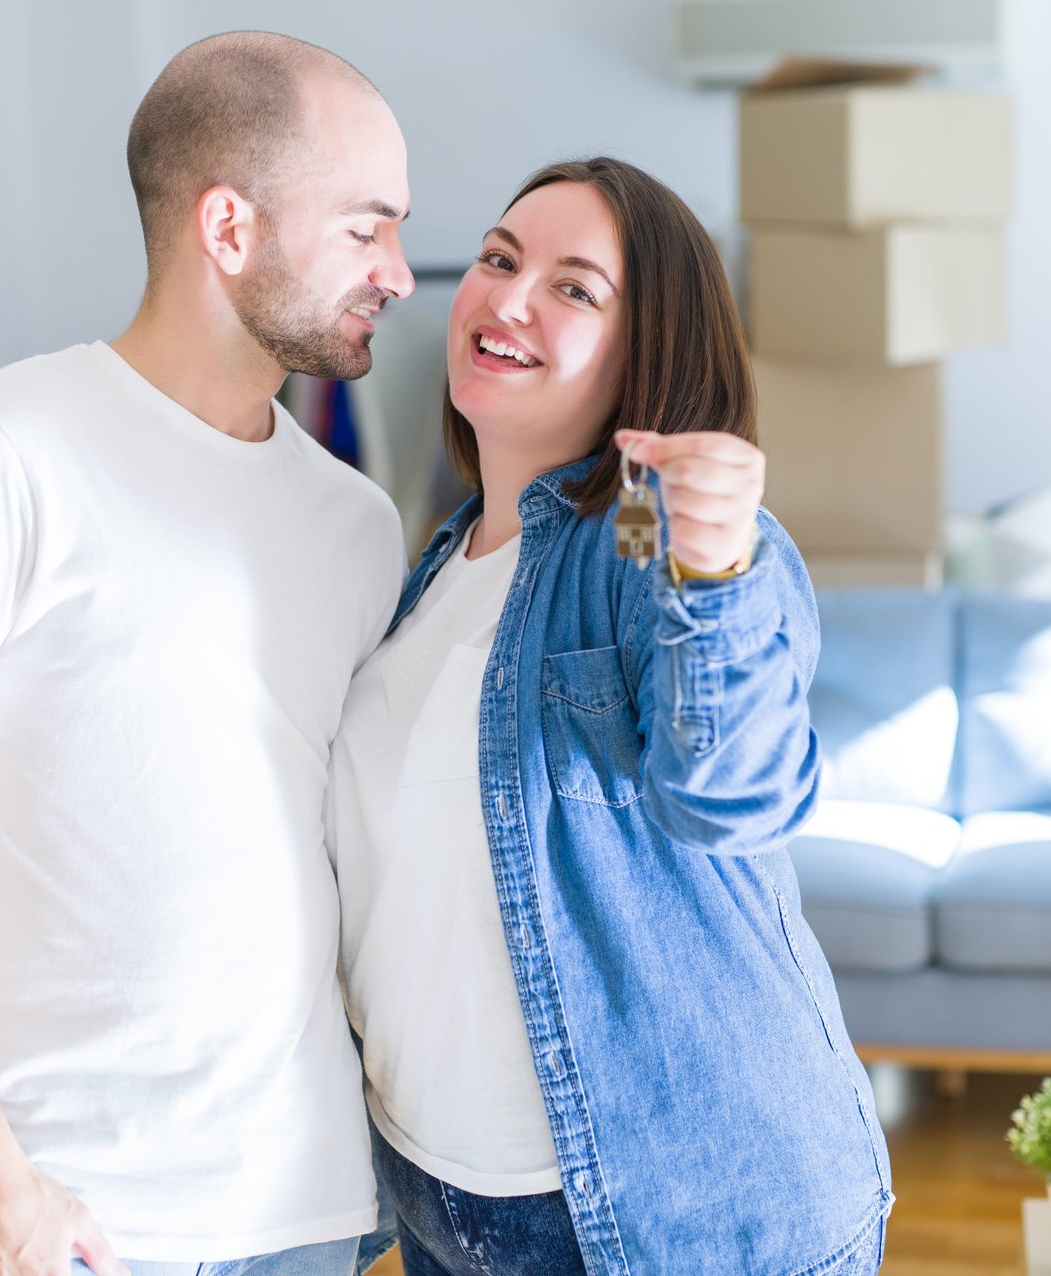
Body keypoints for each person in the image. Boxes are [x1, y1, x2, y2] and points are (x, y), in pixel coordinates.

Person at [0, 32, 413, 1276]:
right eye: (365, 228)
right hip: (50, 1223)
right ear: (229, 227)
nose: (398, 272)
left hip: (302, 1212)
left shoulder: (358, 525)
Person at [328, 157, 894, 1276]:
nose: (508, 296)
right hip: (447, 1202)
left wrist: (713, 568)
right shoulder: (432, 567)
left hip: (682, 1215)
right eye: (500, 259)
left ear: (650, 356)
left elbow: (733, 792)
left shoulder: (642, 546)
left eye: (575, 288)